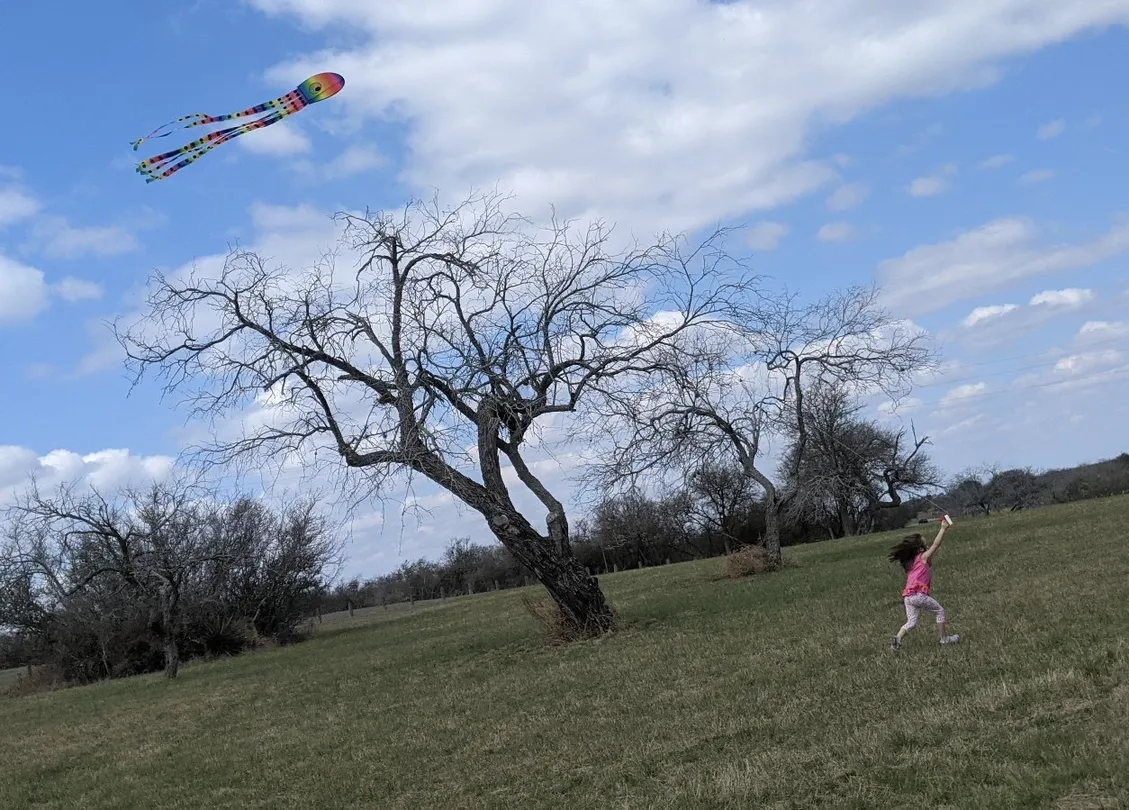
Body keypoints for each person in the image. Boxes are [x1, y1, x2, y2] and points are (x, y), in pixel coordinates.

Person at [888, 515, 960, 651]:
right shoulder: (923, 557)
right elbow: (936, 545)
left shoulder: (910, 562)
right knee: (940, 611)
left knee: (911, 623)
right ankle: (944, 639)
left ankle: (896, 641)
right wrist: (943, 529)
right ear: (919, 547)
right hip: (918, 596)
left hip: (908, 598)